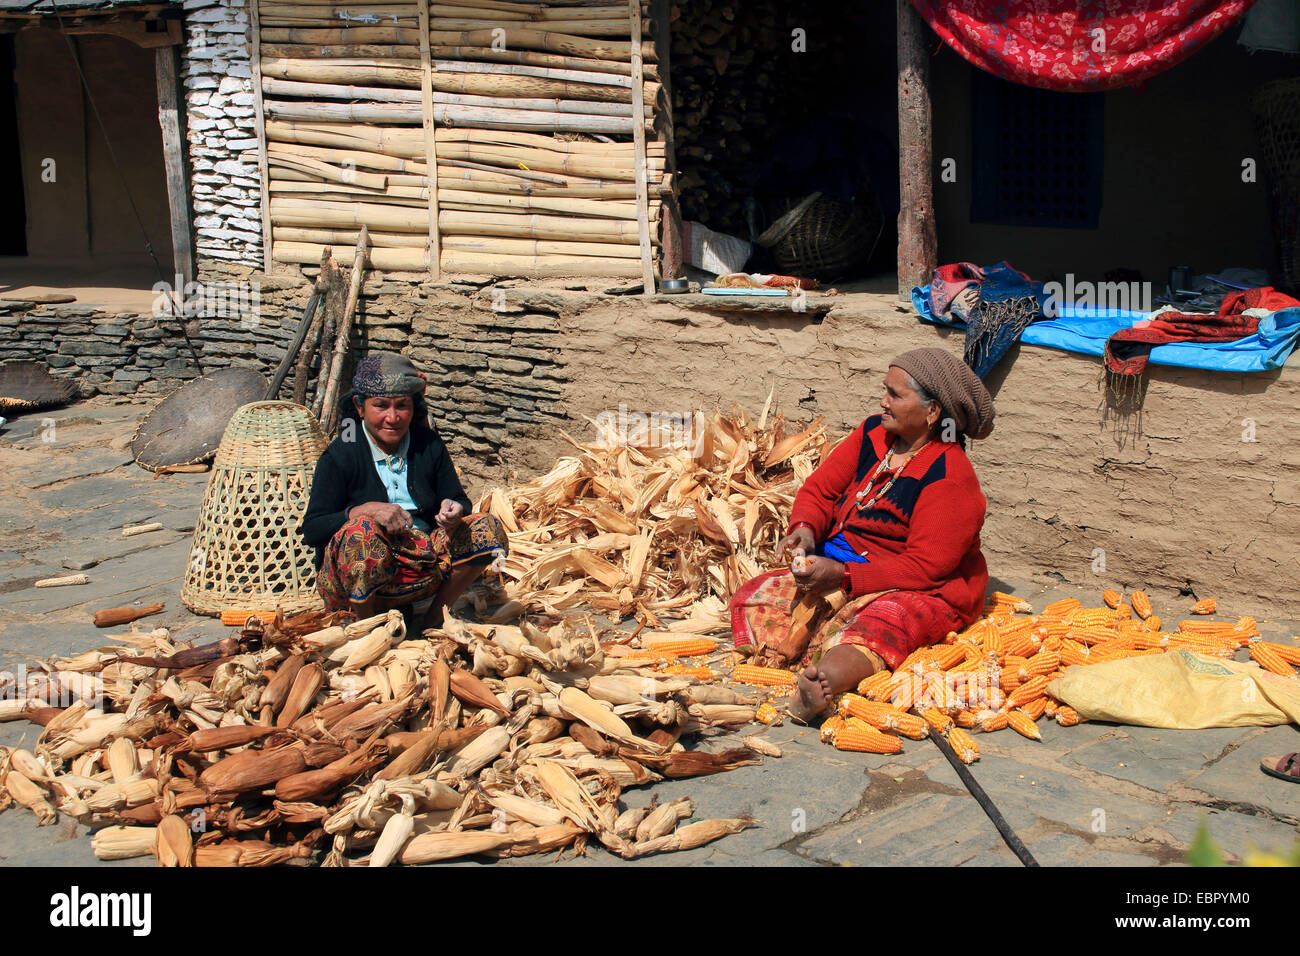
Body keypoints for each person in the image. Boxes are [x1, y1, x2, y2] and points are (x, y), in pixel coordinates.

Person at [729, 348, 995, 723]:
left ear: (933, 412)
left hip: (915, 585)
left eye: (895, 395)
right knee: (758, 594)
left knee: (882, 624)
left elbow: (927, 567)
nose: (882, 402)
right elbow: (820, 492)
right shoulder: (873, 434)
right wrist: (805, 531)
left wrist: (845, 577)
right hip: (847, 563)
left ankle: (824, 681)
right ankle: (789, 653)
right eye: (885, 391)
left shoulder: (949, 477)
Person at [300, 352, 508, 626]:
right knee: (361, 535)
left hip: (423, 564)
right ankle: (368, 626)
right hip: (358, 580)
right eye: (381, 406)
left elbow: (458, 498)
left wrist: (454, 509)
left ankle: (436, 615)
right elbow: (313, 529)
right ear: (360, 407)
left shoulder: (428, 445)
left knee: (487, 527)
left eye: (402, 406)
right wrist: (364, 511)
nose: (393, 417)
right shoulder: (341, 455)